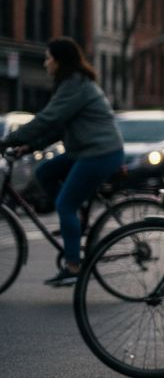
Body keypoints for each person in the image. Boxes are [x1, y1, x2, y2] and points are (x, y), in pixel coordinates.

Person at [1, 38, 125, 286]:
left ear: (59, 61)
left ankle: (73, 265)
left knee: (65, 204)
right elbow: (58, 126)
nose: (45, 63)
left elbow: (47, 119)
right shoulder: (71, 84)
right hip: (86, 150)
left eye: (48, 58)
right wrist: (29, 146)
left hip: (100, 153)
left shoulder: (76, 85)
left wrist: (6, 141)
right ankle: (75, 223)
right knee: (45, 171)